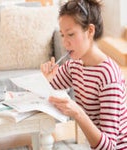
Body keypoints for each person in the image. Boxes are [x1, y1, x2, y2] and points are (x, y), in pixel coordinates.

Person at [40, 0, 127, 149]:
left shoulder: (108, 76)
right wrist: (47, 79)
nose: (65, 43)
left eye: (71, 34)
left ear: (90, 31)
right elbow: (47, 91)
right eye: (62, 35)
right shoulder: (75, 65)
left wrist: (78, 113)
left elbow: (110, 147)